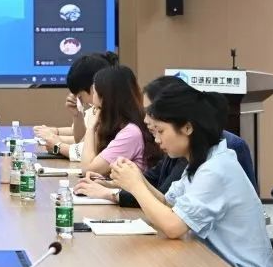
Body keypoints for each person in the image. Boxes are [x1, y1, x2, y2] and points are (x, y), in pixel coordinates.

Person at [110, 84, 273, 267]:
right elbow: (168, 203)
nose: (157, 140)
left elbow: (173, 227)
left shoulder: (216, 169)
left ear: (187, 128)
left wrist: (136, 186)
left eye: (161, 131)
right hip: (215, 265)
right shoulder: (201, 161)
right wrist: (138, 178)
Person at [75, 75, 188, 206]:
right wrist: (109, 184)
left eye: (98, 109)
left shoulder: (132, 132)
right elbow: (151, 182)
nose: (146, 119)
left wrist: (110, 193)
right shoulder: (174, 152)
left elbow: (163, 200)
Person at [34, 51, 119, 160]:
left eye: (80, 96)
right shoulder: (97, 109)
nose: (79, 99)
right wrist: (77, 115)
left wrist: (57, 146)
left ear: (95, 87)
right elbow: (82, 141)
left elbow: (91, 152)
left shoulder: (115, 113)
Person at [79, 65, 154, 176]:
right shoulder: (118, 127)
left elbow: (88, 170)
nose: (95, 111)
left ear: (106, 99)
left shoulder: (131, 133)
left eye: (97, 108)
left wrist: (90, 128)